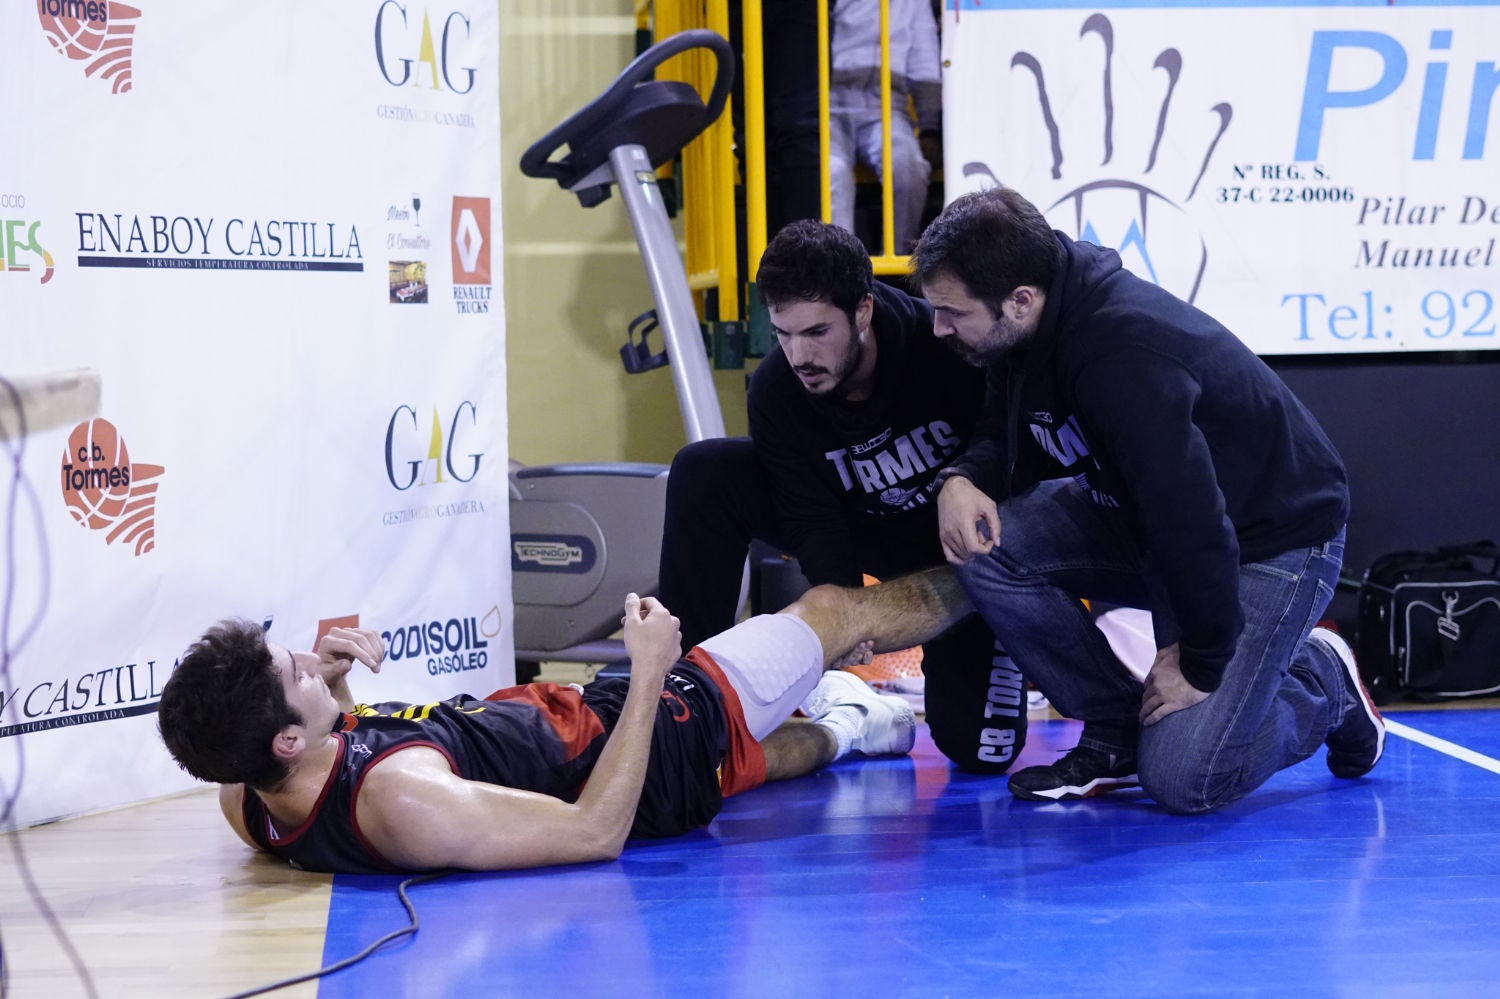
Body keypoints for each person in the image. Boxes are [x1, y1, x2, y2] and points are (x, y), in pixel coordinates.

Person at [910, 186, 1386, 813]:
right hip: (1149, 520)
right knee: (987, 548)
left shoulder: (1122, 353)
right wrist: (962, 478)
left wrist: (1201, 660)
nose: (938, 327)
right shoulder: (1029, 314)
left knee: (1184, 779)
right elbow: (1008, 422)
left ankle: (1322, 683)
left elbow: (1189, 520)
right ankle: (1113, 728)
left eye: (952, 312)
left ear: (1020, 301)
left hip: (1273, 537)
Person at [156, 568, 972, 874]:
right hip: (646, 737)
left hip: (605, 731)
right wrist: (651, 671)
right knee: (830, 610)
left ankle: (853, 727)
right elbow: (592, 833)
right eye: (291, 672)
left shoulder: (248, 796)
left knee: (753, 757)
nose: (303, 655)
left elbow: (324, 786)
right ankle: (1001, 572)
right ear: (285, 739)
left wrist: (331, 693)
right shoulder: (403, 797)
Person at [657, 219, 1028, 775]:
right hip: (860, 525)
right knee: (704, 470)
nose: (798, 353)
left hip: (956, 554)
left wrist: (966, 486)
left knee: (982, 750)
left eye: (815, 332)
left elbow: (1008, 448)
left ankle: (867, 716)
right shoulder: (778, 389)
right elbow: (811, 520)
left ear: (863, 311)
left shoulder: (944, 348)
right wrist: (846, 614)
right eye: (783, 333)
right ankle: (689, 698)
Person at [828, 0, 942, 254]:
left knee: (908, 165)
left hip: (888, 106)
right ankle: (839, 270)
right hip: (827, 105)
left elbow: (925, 65)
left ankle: (899, 269)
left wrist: (929, 126)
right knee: (832, 173)